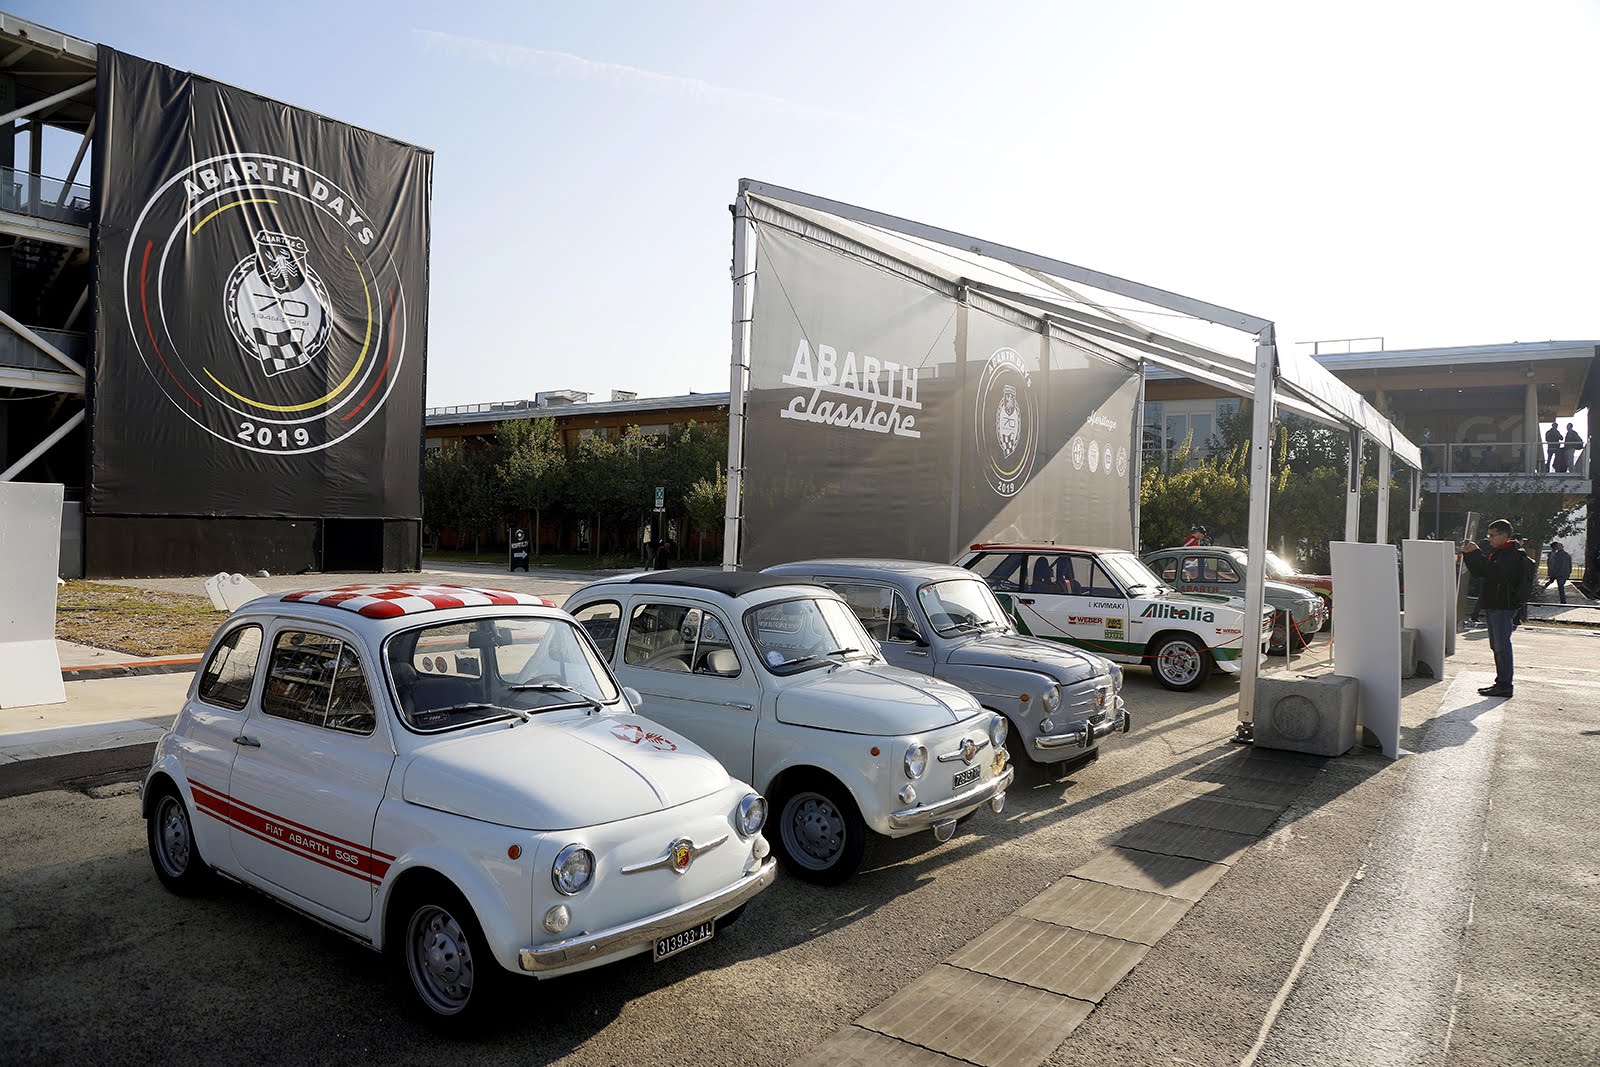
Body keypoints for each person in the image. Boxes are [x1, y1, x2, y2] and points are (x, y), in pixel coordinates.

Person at [1460, 519, 1533, 698]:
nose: (1489, 539)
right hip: (1497, 605)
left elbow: (1492, 572)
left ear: (1504, 535)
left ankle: (1505, 685)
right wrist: (1471, 555)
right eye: (1489, 535)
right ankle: (1501, 683)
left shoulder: (1512, 553)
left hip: (1503, 605)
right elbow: (1483, 572)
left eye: (1492, 535)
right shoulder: (1503, 552)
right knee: (1497, 646)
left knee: (1501, 647)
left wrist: (1475, 553)